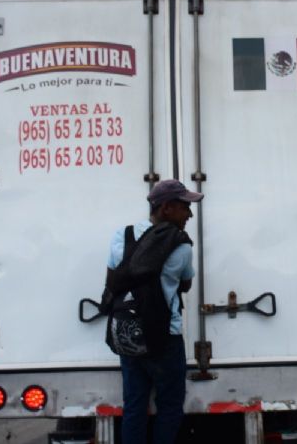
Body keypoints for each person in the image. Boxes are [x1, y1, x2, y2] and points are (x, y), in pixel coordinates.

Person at [107, 179, 202, 444]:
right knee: (170, 407)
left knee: (134, 406)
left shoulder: (122, 236)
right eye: (185, 207)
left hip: (128, 335)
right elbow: (185, 284)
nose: (190, 214)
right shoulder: (182, 246)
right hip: (164, 337)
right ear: (167, 208)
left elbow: (112, 282)